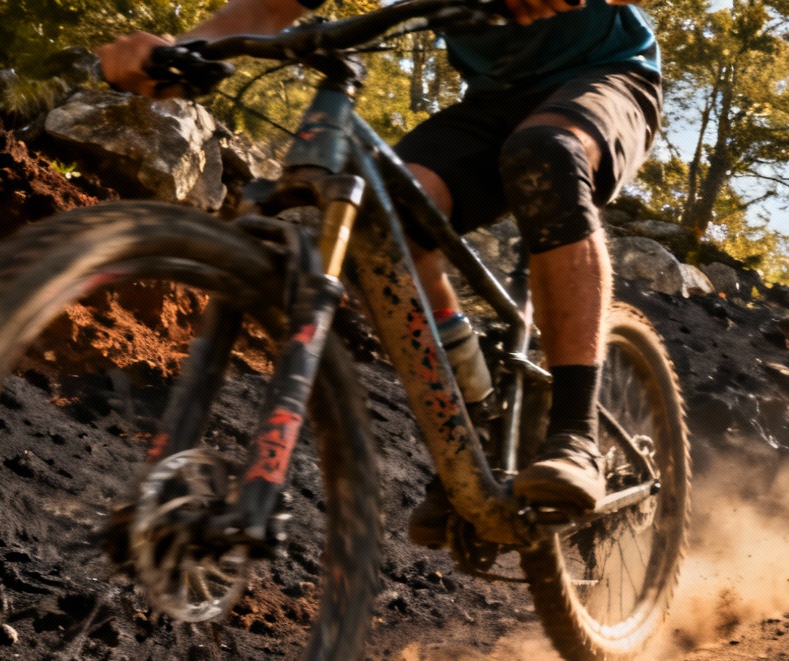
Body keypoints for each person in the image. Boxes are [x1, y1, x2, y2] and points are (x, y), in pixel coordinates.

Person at [99, 0, 659, 545]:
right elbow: (264, 11)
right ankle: (481, 430)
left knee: (544, 154)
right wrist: (178, 52)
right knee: (379, 223)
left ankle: (574, 435)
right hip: (495, 101)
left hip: (609, 76)